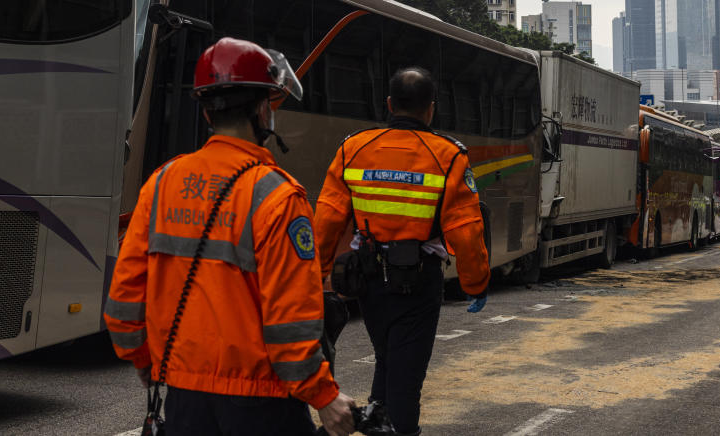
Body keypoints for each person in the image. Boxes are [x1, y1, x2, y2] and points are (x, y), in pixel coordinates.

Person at [104, 37, 356, 436]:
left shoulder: (162, 182)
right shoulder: (278, 195)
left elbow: (124, 298)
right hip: (263, 403)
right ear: (262, 109)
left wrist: (146, 361)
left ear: (206, 111)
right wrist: (322, 395)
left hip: (185, 398)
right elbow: (291, 320)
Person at [314, 67, 490, 436]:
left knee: (387, 356)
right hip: (419, 279)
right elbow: (466, 230)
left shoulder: (354, 147)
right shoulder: (448, 155)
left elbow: (328, 220)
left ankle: (378, 418)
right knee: (406, 375)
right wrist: (475, 284)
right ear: (430, 109)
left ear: (390, 104)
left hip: (368, 279)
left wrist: (315, 276)